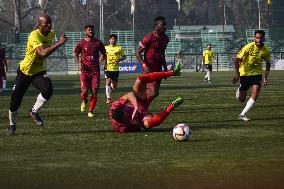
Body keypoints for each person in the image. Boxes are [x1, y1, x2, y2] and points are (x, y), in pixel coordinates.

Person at [7, 15, 67, 135]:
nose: (49, 25)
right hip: (25, 71)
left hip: (38, 71)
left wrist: (56, 44)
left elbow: (46, 52)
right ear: (40, 25)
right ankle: (12, 125)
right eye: (46, 23)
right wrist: (59, 43)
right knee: (15, 102)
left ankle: (34, 111)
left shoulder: (51, 34)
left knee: (48, 89)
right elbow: (42, 54)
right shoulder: (34, 35)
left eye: (50, 23)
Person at [109, 63, 183, 133]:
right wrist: (135, 123)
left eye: (125, 113)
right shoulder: (122, 128)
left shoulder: (115, 106)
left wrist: (135, 106)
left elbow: (129, 94)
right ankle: (172, 106)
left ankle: (172, 73)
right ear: (121, 121)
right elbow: (140, 127)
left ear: (121, 109)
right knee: (147, 124)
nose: (127, 115)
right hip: (142, 114)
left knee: (140, 79)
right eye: (125, 117)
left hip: (138, 100)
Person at [232, 30, 270, 121]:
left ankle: (242, 114)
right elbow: (237, 59)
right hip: (245, 74)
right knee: (242, 99)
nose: (259, 40)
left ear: (264, 38)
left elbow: (268, 63)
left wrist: (265, 78)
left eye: (261, 38)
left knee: (255, 93)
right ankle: (239, 91)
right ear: (254, 38)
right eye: (257, 38)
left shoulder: (266, 50)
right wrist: (237, 74)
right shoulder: (248, 46)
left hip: (256, 74)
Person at [74, 25, 107, 118]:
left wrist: (102, 59)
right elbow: (75, 54)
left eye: (92, 29)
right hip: (85, 71)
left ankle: (90, 111)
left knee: (94, 92)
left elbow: (104, 54)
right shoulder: (81, 43)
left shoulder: (98, 43)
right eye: (89, 30)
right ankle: (84, 101)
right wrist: (78, 62)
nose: (91, 31)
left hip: (95, 71)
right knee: (84, 91)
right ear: (85, 32)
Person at [135, 16, 169, 105]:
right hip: (149, 69)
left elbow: (162, 54)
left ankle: (142, 107)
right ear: (156, 26)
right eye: (163, 25)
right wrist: (144, 65)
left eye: (165, 25)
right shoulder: (148, 37)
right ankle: (140, 106)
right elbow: (137, 52)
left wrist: (165, 68)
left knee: (155, 93)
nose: (165, 27)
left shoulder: (165, 39)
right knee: (152, 92)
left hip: (158, 69)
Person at [104, 34, 126, 104]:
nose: (113, 40)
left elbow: (124, 56)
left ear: (116, 40)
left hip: (115, 69)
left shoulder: (119, 48)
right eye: (111, 39)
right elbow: (102, 56)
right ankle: (108, 98)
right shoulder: (105, 48)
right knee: (108, 81)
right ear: (109, 40)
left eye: (114, 39)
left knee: (114, 85)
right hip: (107, 68)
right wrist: (101, 59)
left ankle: (109, 90)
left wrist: (119, 59)